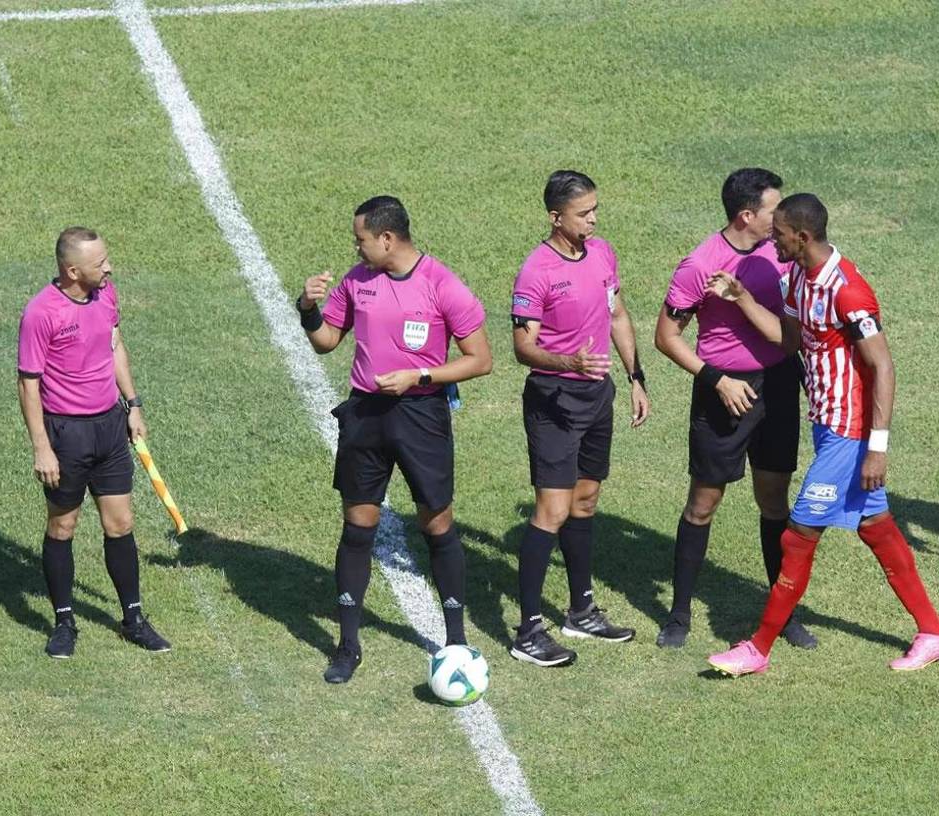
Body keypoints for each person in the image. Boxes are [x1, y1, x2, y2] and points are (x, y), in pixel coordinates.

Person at [705, 193, 939, 677]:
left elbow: (882, 366)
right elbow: (792, 339)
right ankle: (934, 634)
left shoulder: (849, 291)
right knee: (876, 528)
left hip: (850, 432)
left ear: (802, 236)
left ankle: (758, 649)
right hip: (825, 425)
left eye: (777, 233)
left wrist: (876, 448)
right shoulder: (799, 276)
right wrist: (742, 298)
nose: (770, 239)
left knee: (799, 534)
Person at [297, 195, 492, 684]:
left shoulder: (443, 286)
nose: (356, 248)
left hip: (420, 413)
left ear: (387, 238)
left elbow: (480, 360)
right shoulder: (357, 280)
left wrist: (420, 377)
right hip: (365, 414)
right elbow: (326, 341)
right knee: (358, 524)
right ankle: (347, 645)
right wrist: (307, 307)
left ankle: (456, 639)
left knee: (437, 521)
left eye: (361, 239)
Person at [653, 168, 815, 650]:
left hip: (779, 385)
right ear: (747, 215)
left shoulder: (779, 254)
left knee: (774, 498)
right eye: (773, 209)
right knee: (703, 504)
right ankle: (679, 616)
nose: (780, 216)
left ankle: (783, 613)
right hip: (723, 388)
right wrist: (716, 380)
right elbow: (666, 337)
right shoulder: (700, 265)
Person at [508, 170, 649, 668]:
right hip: (554, 400)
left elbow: (617, 315)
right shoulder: (536, 271)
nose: (593, 219)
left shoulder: (603, 253)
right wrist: (568, 363)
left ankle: (581, 611)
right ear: (555, 217)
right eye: (583, 213)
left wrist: (636, 376)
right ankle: (527, 630)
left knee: (586, 501)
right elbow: (523, 346)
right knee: (553, 509)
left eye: (594, 211)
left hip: (597, 397)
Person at [17, 227, 170, 659]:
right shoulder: (41, 313)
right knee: (62, 526)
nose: (109, 267)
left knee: (120, 524)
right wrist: (41, 447)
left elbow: (115, 345)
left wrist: (133, 403)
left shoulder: (106, 294)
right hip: (66, 433)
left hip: (109, 428)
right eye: (100, 262)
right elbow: (28, 384)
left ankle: (133, 618)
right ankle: (64, 622)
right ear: (72, 270)